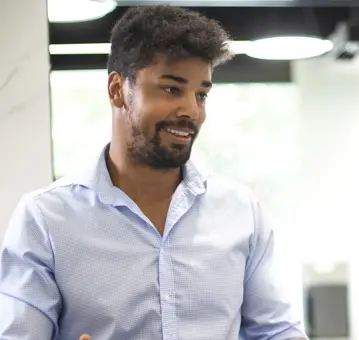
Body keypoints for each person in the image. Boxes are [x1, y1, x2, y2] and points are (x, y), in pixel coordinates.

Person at [0, 6, 306, 340]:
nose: (192, 110)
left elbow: (278, 332)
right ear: (118, 89)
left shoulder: (240, 212)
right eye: (172, 89)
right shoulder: (45, 220)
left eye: (201, 94)